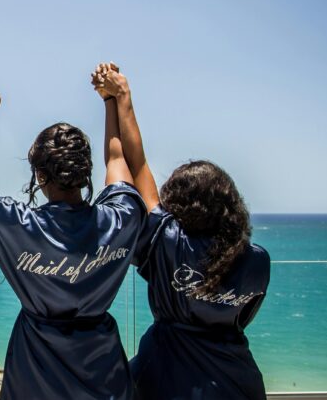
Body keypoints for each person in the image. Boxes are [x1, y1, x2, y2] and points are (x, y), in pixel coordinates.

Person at [0, 75, 147, 400]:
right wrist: (109, 101)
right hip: (103, 376)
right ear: (85, 172)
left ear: (40, 175)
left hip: (34, 374)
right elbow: (118, 160)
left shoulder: (15, 225)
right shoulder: (121, 219)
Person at [93, 63, 270, 400]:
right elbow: (241, 319)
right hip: (237, 381)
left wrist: (118, 98)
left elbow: (136, 164)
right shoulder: (257, 261)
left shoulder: (166, 241)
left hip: (165, 375)